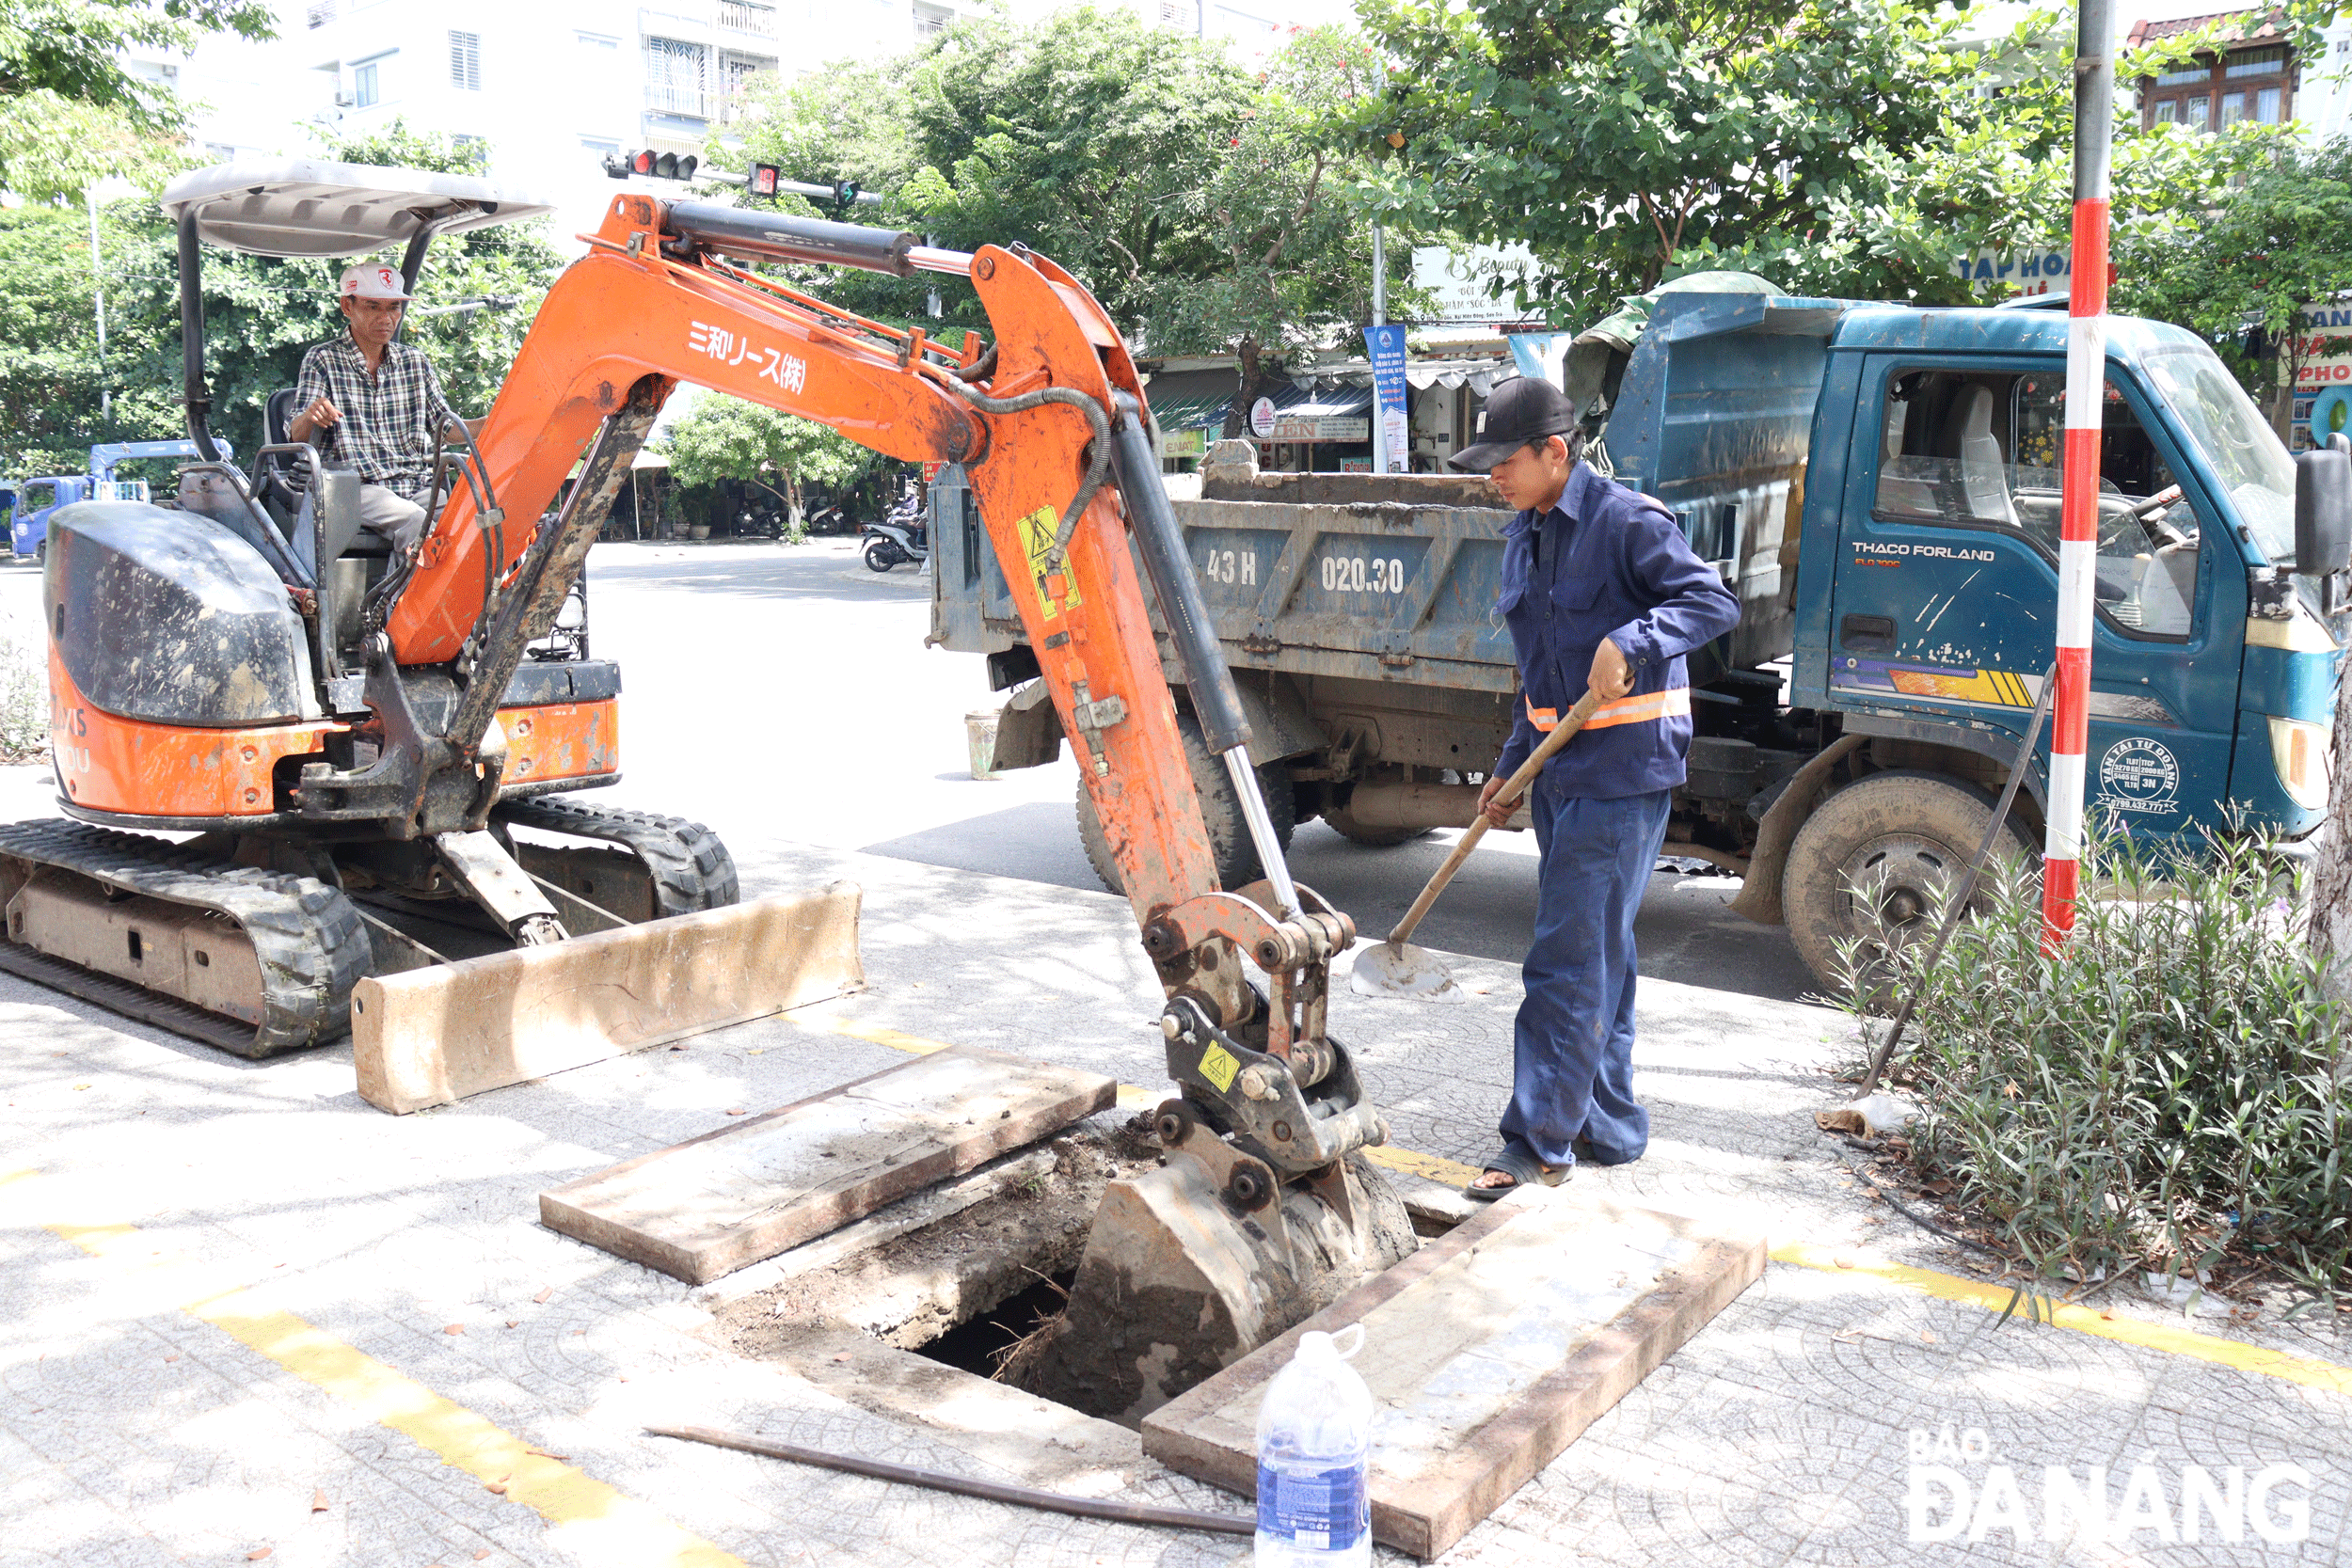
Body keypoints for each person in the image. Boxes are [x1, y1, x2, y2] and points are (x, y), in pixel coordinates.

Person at [1447, 376, 1740, 1199]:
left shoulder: (1625, 521)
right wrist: (1509, 762)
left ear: (1554, 452)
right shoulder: (1525, 534)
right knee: (1599, 950)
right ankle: (1608, 1126)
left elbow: (1711, 600)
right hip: (1556, 768)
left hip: (1620, 775)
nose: (1493, 477)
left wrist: (1635, 636)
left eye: (1505, 461)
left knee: (1567, 958)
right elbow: (1537, 676)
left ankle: (1537, 1140)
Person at [288, 261, 481, 555]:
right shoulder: (323, 359)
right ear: (347, 306)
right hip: (355, 488)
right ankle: (401, 601)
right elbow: (297, 438)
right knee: (417, 523)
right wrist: (313, 415)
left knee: (472, 520)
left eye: (393, 307)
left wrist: (507, 417)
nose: (386, 318)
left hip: (415, 485)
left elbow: (449, 429)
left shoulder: (414, 362)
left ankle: (481, 600)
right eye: (372, 306)